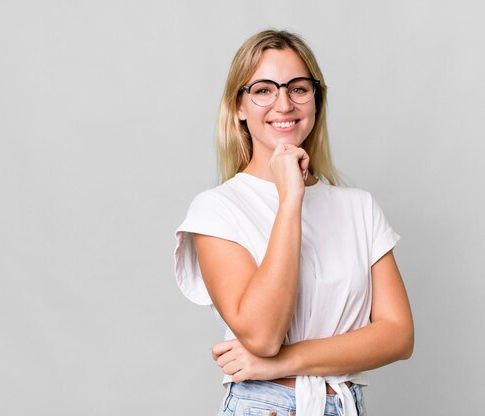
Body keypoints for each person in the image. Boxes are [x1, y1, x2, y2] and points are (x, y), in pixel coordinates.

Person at [173, 30, 413, 416]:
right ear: (239, 105)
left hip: (345, 404)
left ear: (316, 99)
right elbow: (262, 335)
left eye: (298, 88)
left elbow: (398, 336)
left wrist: (281, 363)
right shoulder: (217, 209)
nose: (283, 104)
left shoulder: (359, 207)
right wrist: (290, 200)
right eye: (264, 90)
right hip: (265, 407)